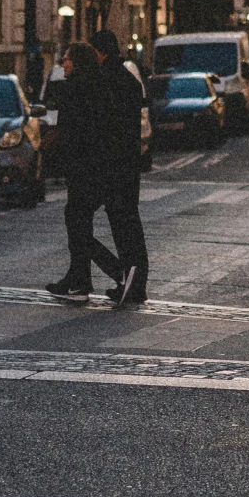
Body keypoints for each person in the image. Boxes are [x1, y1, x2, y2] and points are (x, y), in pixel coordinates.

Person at [45, 42, 117, 298]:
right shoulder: (97, 87)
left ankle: (117, 271)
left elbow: (71, 130)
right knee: (79, 224)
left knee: (77, 225)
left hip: (83, 167)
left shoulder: (75, 88)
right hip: (96, 166)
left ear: (78, 62)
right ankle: (79, 280)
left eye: (66, 59)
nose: (63, 63)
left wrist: (53, 148)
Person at [93, 26, 151, 305]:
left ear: (100, 52)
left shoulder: (106, 80)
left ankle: (131, 279)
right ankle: (133, 279)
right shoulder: (129, 79)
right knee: (129, 222)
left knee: (122, 223)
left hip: (113, 162)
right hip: (128, 162)